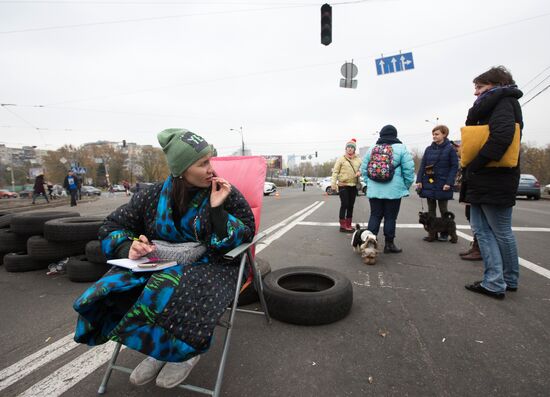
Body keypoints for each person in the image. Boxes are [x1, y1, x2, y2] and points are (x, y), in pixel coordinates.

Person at [73, 128, 255, 388]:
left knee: (167, 286)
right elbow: (112, 225)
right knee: (109, 288)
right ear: (181, 169)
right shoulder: (151, 195)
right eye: (202, 163)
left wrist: (217, 210)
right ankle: (158, 350)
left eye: (210, 161)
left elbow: (245, 233)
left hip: (215, 262)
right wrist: (128, 247)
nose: (211, 169)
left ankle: (184, 353)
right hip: (160, 258)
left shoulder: (225, 191)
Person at [462, 66, 523, 299]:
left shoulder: (503, 103)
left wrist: (475, 163)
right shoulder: (498, 103)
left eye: (479, 87)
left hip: (492, 177)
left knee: (493, 231)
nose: (476, 93)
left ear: (496, 85)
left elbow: (501, 138)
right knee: (490, 230)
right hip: (489, 178)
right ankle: (507, 279)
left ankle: (496, 282)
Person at [360, 125, 415, 253]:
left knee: (375, 215)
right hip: (394, 191)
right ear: (395, 135)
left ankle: (369, 244)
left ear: (381, 135)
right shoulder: (401, 149)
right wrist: (404, 186)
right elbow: (409, 170)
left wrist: (369, 184)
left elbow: (364, 169)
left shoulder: (372, 149)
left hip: (374, 190)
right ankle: (389, 245)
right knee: (390, 217)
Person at [416, 125, 458, 241]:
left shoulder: (450, 149)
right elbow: (423, 165)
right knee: (431, 209)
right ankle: (432, 233)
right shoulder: (429, 149)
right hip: (429, 182)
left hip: (443, 183)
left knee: (443, 210)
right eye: (433, 134)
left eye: (437, 134)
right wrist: (419, 180)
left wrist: (449, 182)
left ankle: (445, 233)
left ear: (444, 134)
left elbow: (454, 167)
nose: (434, 136)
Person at [331, 138, 362, 233]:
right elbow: (335, 172)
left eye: (352, 147)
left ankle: (349, 224)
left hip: (353, 185)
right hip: (343, 185)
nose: (349, 149)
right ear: (346, 148)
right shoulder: (341, 159)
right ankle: (342, 225)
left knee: (351, 206)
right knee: (345, 204)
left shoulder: (358, 160)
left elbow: (363, 169)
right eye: (348, 147)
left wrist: (360, 172)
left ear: (354, 149)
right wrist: (333, 184)